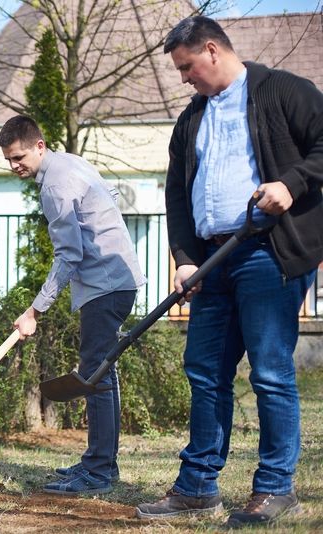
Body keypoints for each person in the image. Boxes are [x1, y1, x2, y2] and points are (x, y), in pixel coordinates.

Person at [135, 16, 323, 527]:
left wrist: (293, 181)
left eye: (187, 67)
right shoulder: (191, 119)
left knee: (269, 372)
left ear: (213, 51)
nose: (183, 78)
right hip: (212, 262)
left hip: (269, 254)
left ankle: (275, 488)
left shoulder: (284, 91)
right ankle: (197, 487)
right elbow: (176, 193)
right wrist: (184, 257)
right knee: (204, 371)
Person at [0, 115, 145, 495]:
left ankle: (98, 473)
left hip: (105, 285)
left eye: (19, 157)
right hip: (118, 280)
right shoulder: (72, 163)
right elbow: (108, 199)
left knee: (95, 376)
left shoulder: (55, 186)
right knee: (101, 374)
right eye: (9, 160)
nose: (15, 166)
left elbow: (68, 255)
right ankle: (99, 463)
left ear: (39, 146)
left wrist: (34, 311)